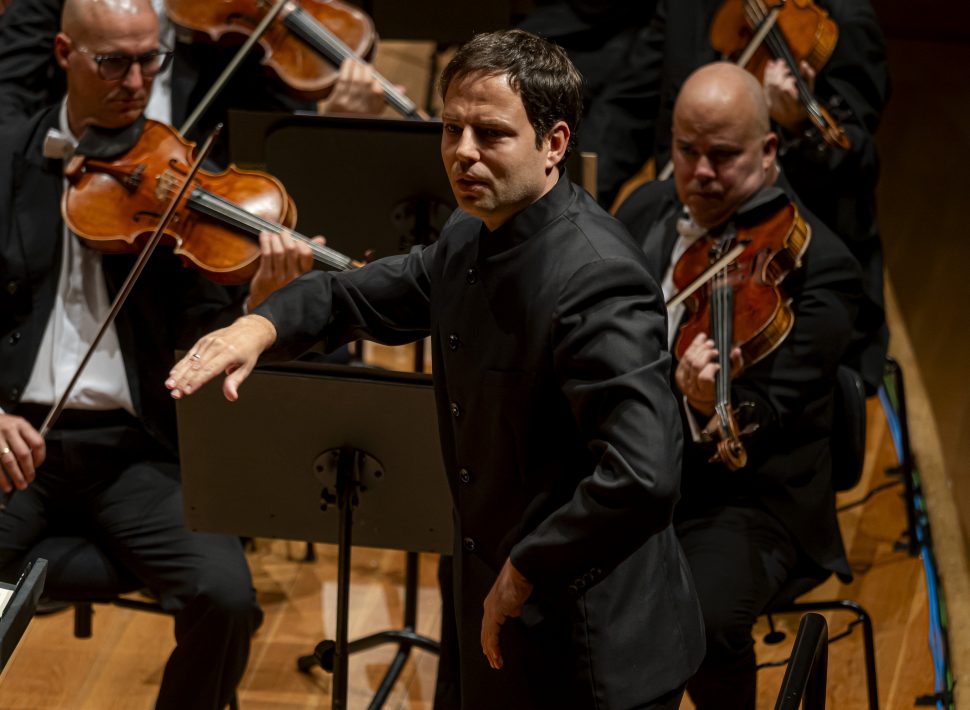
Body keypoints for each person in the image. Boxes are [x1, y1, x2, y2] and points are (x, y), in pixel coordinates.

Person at [167, 28, 705, 710]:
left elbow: (644, 473)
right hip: (493, 600)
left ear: (555, 143)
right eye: (451, 129)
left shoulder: (597, 281)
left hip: (591, 640)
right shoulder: (470, 234)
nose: (463, 154)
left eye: (490, 134)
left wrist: (524, 570)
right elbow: (358, 291)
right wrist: (259, 324)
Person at [0, 0, 319, 707]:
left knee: (228, 597)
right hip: (16, 445)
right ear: (64, 54)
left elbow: (204, 329)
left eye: (151, 60)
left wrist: (256, 308)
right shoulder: (8, 160)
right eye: (114, 62)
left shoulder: (181, 179)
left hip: (137, 452)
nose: (137, 81)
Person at [615, 62, 862, 710]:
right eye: (685, 150)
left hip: (745, 497)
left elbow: (776, 411)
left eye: (722, 156)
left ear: (768, 150)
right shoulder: (646, 206)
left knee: (701, 615)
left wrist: (705, 404)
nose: (699, 173)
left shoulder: (822, 269)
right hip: (629, 467)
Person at [606, 0, 889, 392]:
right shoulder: (688, 7)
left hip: (789, 273)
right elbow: (626, 109)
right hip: (679, 234)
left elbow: (858, 159)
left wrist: (798, 127)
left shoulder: (843, 20)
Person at [0, 0, 389, 160]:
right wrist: (53, 159)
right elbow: (7, 103)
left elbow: (272, 138)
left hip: (201, 192)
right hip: (77, 180)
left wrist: (329, 125)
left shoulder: (233, 19)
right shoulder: (52, 6)